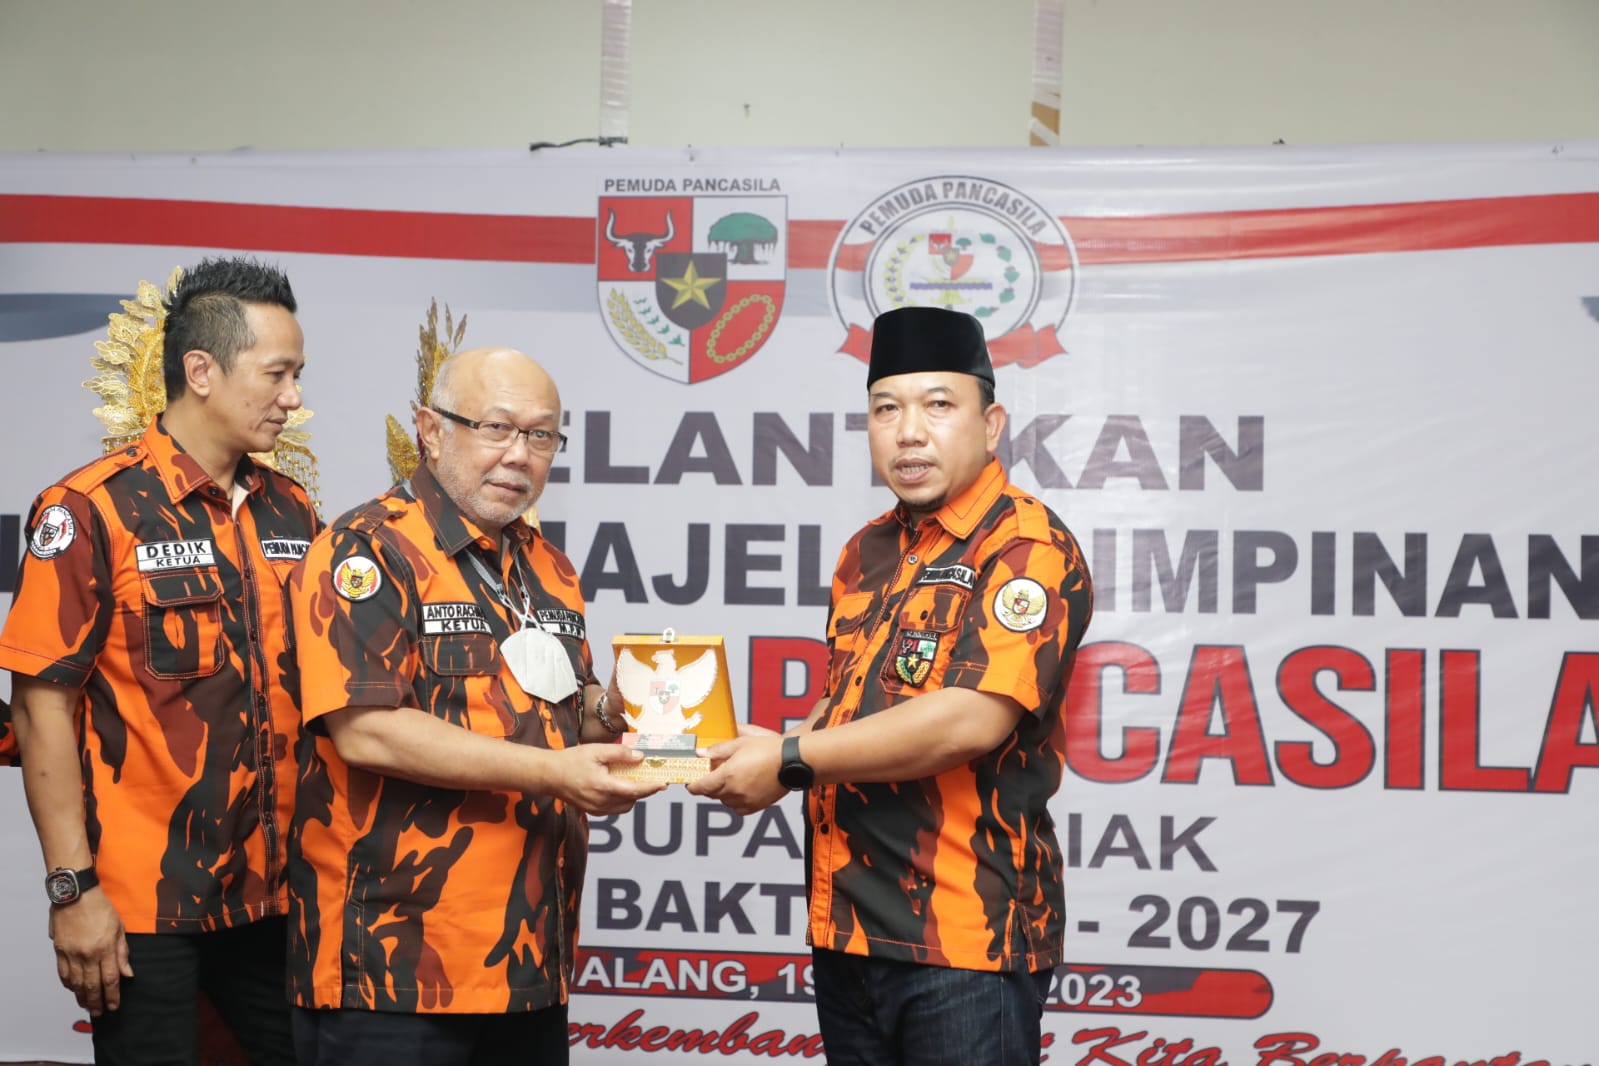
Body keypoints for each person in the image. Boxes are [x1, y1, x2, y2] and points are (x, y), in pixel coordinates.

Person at [690, 305, 1093, 1066]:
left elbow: (970, 718)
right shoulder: (867, 551)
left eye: (938, 405)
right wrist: (771, 748)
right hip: (847, 926)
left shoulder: (1024, 546)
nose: (909, 432)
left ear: (991, 424)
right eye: (886, 409)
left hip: (963, 940)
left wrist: (790, 760)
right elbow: (848, 702)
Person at [286, 346, 665, 1066]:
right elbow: (367, 730)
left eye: (541, 435)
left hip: (528, 959)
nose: (519, 454)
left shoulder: (546, 566)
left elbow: (564, 714)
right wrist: (557, 774)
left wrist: (614, 710)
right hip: (393, 965)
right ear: (430, 430)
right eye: (496, 428)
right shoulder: (366, 550)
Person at [0, 257, 316, 1065]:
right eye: (277, 375)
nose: (293, 398)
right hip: (144, 903)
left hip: (276, 896)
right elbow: (41, 707)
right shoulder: (90, 509)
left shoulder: (291, 509)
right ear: (201, 371)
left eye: (297, 376)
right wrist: (72, 890)